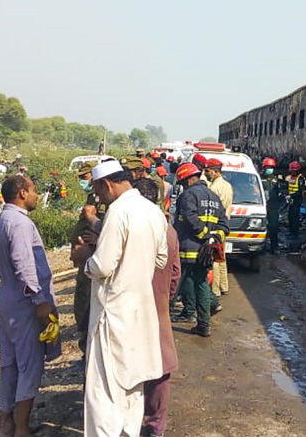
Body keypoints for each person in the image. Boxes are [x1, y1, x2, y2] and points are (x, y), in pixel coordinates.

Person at [83, 160, 168, 437]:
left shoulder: (118, 211)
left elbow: (102, 266)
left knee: (103, 390)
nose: (98, 198)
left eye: (98, 191)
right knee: (133, 383)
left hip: (113, 312)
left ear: (107, 184)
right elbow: (161, 259)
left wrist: (86, 261)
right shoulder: (153, 211)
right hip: (140, 310)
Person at [0, 175, 61, 437]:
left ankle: (6, 422)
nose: (36, 196)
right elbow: (23, 263)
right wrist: (40, 300)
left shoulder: (1, 220)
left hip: (8, 297)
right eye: (33, 190)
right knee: (29, 364)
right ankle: (21, 427)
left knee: (9, 363)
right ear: (22, 193)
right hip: (25, 303)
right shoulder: (20, 223)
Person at [133, 178, 179, 437]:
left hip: (132, 307)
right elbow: (175, 274)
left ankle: (131, 419)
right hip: (158, 305)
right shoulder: (168, 230)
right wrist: (164, 299)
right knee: (160, 367)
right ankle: (155, 425)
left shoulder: (130, 228)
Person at [172, 162, 227, 337]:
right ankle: (203, 325)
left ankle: (162, 318)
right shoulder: (214, 197)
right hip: (206, 251)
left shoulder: (188, 194)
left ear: (189, 179)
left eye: (183, 182)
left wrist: (204, 235)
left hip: (189, 248)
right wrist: (213, 238)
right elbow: (224, 225)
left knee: (178, 282)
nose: (183, 186)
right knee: (201, 284)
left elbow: (188, 217)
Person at [69, 161, 102, 355]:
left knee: (86, 301)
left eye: (85, 177)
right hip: (85, 254)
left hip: (93, 255)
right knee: (82, 300)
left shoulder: (101, 200)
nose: (84, 181)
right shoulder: (93, 196)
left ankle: (87, 348)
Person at [205, 158, 233, 299]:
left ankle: (215, 289)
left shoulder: (213, 189)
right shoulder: (228, 186)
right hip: (224, 225)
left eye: (208, 171)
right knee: (222, 257)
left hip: (215, 226)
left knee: (215, 258)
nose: (206, 173)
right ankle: (224, 286)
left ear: (215, 171)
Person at [261, 158, 285, 254]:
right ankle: (262, 245)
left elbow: (281, 192)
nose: (269, 169)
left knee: (274, 227)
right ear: (264, 168)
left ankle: (274, 247)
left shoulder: (277, 180)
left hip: (273, 206)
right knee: (261, 226)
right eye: (267, 167)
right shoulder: (260, 178)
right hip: (262, 206)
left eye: (271, 167)